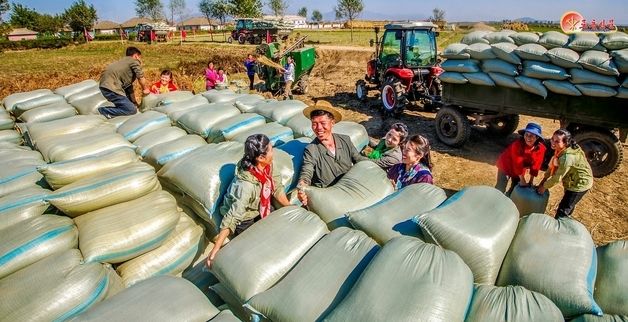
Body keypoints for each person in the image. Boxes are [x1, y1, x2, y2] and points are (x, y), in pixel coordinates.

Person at [206, 134, 291, 267]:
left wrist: (290, 207)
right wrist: (216, 249)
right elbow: (233, 216)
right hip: (244, 217)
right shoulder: (246, 186)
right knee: (259, 247)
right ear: (260, 158)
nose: (273, 152)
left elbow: (277, 188)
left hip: (261, 206)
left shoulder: (267, 166)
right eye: (270, 149)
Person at [297, 100, 368, 206]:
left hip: (350, 189)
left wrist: (378, 166)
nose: (319, 128)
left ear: (332, 123)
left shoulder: (345, 140)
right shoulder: (311, 150)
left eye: (323, 123)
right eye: (314, 124)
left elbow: (359, 159)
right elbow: (306, 171)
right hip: (330, 199)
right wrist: (302, 187)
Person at [537, 129, 593, 218]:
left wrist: (544, 187)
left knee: (563, 209)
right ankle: (567, 216)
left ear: (565, 143)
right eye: (552, 139)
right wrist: (544, 180)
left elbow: (557, 178)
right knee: (568, 204)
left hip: (579, 183)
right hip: (572, 180)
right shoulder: (560, 150)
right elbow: (551, 166)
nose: (553, 142)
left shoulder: (567, 158)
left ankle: (560, 226)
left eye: (557, 141)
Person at [495, 122, 547, 195]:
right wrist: (522, 180)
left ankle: (509, 201)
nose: (528, 138)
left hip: (519, 169)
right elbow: (517, 163)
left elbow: (536, 165)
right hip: (506, 165)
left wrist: (531, 181)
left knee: (515, 189)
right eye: (526, 135)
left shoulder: (541, 149)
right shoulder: (517, 145)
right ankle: (494, 202)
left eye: (531, 136)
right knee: (500, 187)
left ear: (537, 137)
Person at [98, 46, 150, 118]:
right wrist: (145, 89)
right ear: (136, 56)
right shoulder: (133, 61)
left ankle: (119, 110)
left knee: (131, 106)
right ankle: (103, 111)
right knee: (131, 110)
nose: (140, 59)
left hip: (105, 86)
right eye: (139, 57)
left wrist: (134, 103)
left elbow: (129, 88)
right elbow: (140, 77)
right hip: (111, 87)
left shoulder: (124, 62)